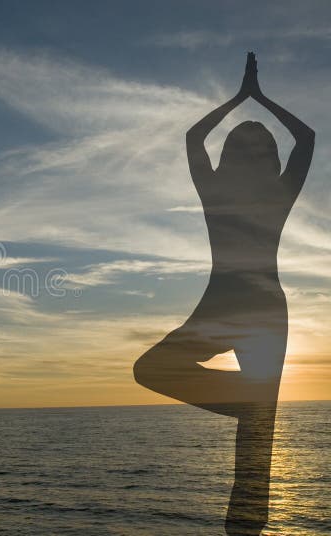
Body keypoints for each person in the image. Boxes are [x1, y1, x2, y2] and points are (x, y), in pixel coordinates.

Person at [133, 52, 314, 535]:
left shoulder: (273, 195)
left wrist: (249, 97)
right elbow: (195, 139)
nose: (254, 152)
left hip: (258, 310)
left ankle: (243, 529)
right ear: (235, 156)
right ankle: (248, 402)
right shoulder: (219, 192)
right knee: (149, 368)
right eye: (247, 144)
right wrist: (249, 98)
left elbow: (307, 140)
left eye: (259, 146)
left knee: (255, 445)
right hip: (227, 304)